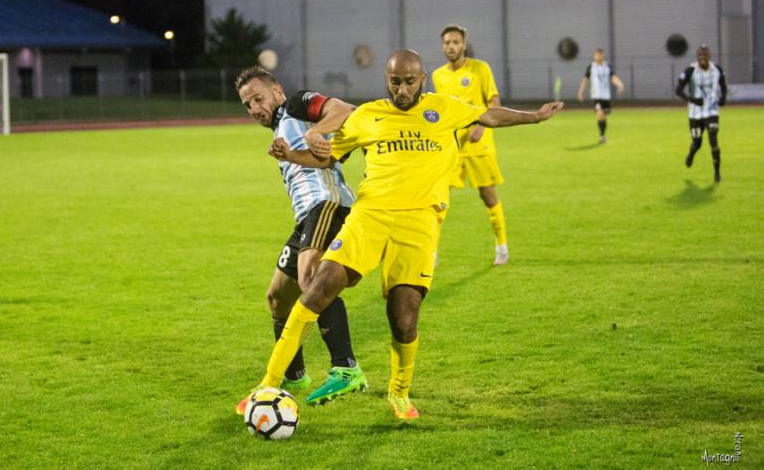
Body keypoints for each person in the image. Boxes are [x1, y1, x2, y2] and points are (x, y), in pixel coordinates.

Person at [248, 50, 563, 420]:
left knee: (403, 316)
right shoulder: (367, 115)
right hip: (370, 216)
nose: (401, 89)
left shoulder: (443, 108)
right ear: (386, 78)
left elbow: (487, 114)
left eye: (409, 81)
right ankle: (269, 384)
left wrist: (535, 117)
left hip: (419, 224)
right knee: (318, 286)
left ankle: (399, 393)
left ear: (422, 79)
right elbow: (328, 158)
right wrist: (291, 154)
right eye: (395, 81)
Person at [234, 66, 367, 415]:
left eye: (258, 98)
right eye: (247, 104)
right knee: (278, 298)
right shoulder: (281, 130)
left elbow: (345, 110)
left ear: (277, 92)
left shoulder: (295, 105)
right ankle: (295, 377)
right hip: (306, 217)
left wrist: (318, 131)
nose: (254, 109)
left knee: (312, 279)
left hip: (328, 205)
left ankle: (346, 367)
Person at [432, 24, 509, 265]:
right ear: (442, 46)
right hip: (451, 147)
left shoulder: (480, 69)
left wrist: (482, 126)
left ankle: (501, 246)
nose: (451, 46)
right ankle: (430, 251)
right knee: (436, 198)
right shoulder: (438, 75)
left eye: (455, 42)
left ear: (463, 45)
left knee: (488, 196)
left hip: (479, 146)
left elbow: (493, 100)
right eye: (447, 43)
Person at [675, 44, 727, 183]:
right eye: (700, 55)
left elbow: (723, 86)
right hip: (695, 113)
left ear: (709, 56)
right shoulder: (690, 70)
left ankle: (717, 173)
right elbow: (678, 90)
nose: (703, 57)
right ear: (697, 57)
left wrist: (723, 98)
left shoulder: (717, 69)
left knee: (713, 138)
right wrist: (692, 100)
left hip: (712, 111)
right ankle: (692, 152)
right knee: (697, 142)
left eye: (705, 55)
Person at [577, 48, 624, 144]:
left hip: (606, 96)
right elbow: (585, 79)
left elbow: (613, 77)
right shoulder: (591, 67)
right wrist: (581, 91)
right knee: (600, 113)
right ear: (594, 56)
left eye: (600, 54)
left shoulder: (607, 66)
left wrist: (619, 84)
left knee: (603, 116)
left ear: (603, 55)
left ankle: (603, 134)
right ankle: (602, 136)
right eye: (597, 55)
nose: (599, 56)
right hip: (596, 96)